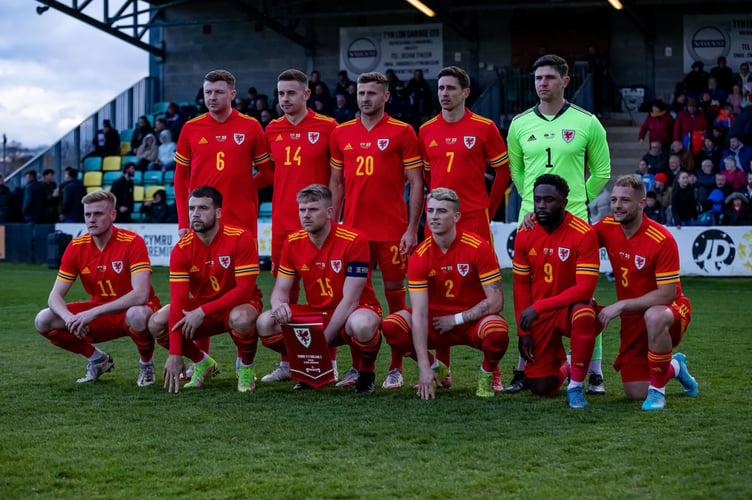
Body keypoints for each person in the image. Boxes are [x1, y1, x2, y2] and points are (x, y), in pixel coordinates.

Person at [506, 53, 610, 394]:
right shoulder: (520, 124)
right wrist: (530, 204)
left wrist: (576, 200)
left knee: (582, 299)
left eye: (549, 78)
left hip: (575, 219)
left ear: (565, 81)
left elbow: (602, 172)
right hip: (532, 222)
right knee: (530, 289)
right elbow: (518, 172)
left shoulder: (587, 122)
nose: (542, 83)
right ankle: (525, 367)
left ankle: (593, 372)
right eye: (538, 78)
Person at [414, 65, 510, 390]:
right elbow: (428, 176)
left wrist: (488, 207)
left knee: (482, 288)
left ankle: (492, 370)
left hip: (474, 217)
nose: (444, 93)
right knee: (439, 288)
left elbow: (504, 172)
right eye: (440, 88)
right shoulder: (426, 129)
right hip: (440, 220)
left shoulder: (484, 127)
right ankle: (442, 367)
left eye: (451, 88)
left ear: (465, 92)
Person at [329, 71, 425, 386]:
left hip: (393, 233)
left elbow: (415, 182)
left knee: (397, 302)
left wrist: (412, 228)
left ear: (385, 97)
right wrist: (333, 224)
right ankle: (358, 367)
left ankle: (395, 369)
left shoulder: (402, 132)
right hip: (355, 235)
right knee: (354, 301)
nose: (365, 98)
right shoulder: (341, 133)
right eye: (361, 93)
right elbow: (337, 183)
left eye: (372, 93)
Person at [382, 188, 510, 400]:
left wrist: (457, 319)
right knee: (392, 325)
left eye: (441, 211)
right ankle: (436, 366)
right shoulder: (420, 255)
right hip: (435, 323)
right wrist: (424, 365)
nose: (433, 216)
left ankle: (487, 374)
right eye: (430, 210)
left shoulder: (478, 247)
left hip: (471, 322)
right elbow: (420, 314)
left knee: (497, 329)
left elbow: (496, 302)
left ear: (456, 216)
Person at [256, 184, 382, 393]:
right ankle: (307, 368)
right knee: (265, 323)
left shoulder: (354, 240)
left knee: (362, 324)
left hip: (355, 310)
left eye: (313, 209)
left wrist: (321, 341)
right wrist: (279, 305)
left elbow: (351, 300)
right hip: (317, 313)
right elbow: (280, 290)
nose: (306, 215)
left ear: (330, 212)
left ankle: (366, 371)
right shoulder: (292, 242)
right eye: (302, 210)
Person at [257, 68, 340, 384]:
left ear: (307, 94)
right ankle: (288, 362)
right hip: (282, 224)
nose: (285, 99)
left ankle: (327, 360)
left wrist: (335, 214)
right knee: (285, 295)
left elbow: (336, 176)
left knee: (323, 291)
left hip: (319, 224)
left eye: (291, 93)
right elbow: (266, 174)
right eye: (280, 93)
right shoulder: (271, 129)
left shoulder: (328, 127)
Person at [34, 190, 160, 385]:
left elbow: (140, 295)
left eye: (98, 214)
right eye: (87, 214)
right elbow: (54, 297)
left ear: (113, 215)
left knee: (137, 314)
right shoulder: (76, 246)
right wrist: (70, 319)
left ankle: (146, 364)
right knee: (43, 319)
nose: (91, 219)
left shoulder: (132, 242)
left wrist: (93, 312)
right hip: (100, 313)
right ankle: (98, 360)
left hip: (132, 311)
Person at [595, 174, 698, 410]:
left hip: (669, 310)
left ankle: (658, 393)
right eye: (614, 200)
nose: (617, 206)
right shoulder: (607, 227)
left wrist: (620, 305)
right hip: (633, 319)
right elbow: (576, 239)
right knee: (634, 392)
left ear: (642, 203)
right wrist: (536, 220)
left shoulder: (661, 239)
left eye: (625, 200)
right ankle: (676, 367)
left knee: (654, 315)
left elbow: (666, 295)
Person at [148, 186, 262, 393]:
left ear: (218, 213)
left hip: (239, 304)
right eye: (191, 208)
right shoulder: (182, 249)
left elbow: (245, 291)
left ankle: (246, 367)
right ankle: (203, 362)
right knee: (157, 323)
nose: (195, 214)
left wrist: (202, 311)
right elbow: (179, 302)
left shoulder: (240, 237)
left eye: (202, 208)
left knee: (242, 319)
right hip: (203, 307)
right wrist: (175, 353)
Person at [512, 175, 600, 408]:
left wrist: (538, 307)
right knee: (541, 388)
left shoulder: (583, 233)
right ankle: (565, 366)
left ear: (564, 201)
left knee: (584, 312)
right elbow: (520, 284)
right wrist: (523, 332)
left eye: (549, 200)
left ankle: (576, 386)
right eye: (537, 200)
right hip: (539, 316)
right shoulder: (524, 233)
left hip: (568, 310)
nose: (541, 205)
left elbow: (584, 289)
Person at [174, 69, 272, 239]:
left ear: (232, 94)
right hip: (203, 216)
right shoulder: (190, 128)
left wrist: (247, 186)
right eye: (208, 92)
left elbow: (268, 173)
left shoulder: (251, 126)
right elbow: (181, 177)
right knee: (205, 266)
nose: (212, 97)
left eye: (219, 92)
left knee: (243, 265)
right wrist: (184, 221)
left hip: (241, 214)